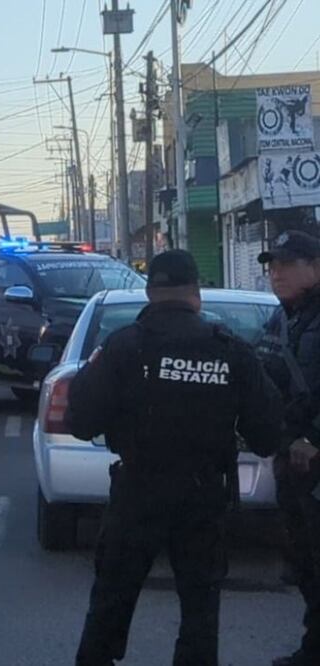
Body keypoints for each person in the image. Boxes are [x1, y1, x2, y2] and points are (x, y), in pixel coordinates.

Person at [67, 249, 283, 666]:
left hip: (137, 491)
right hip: (202, 496)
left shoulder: (123, 347)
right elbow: (267, 435)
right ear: (196, 293)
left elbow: (80, 422)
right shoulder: (232, 351)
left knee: (112, 600)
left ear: (150, 292)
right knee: (200, 607)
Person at [256, 231, 320, 666]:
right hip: (292, 464)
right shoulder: (282, 319)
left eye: (285, 263)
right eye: (271, 265)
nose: (275, 272)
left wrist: (314, 437)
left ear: (315, 266)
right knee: (305, 564)